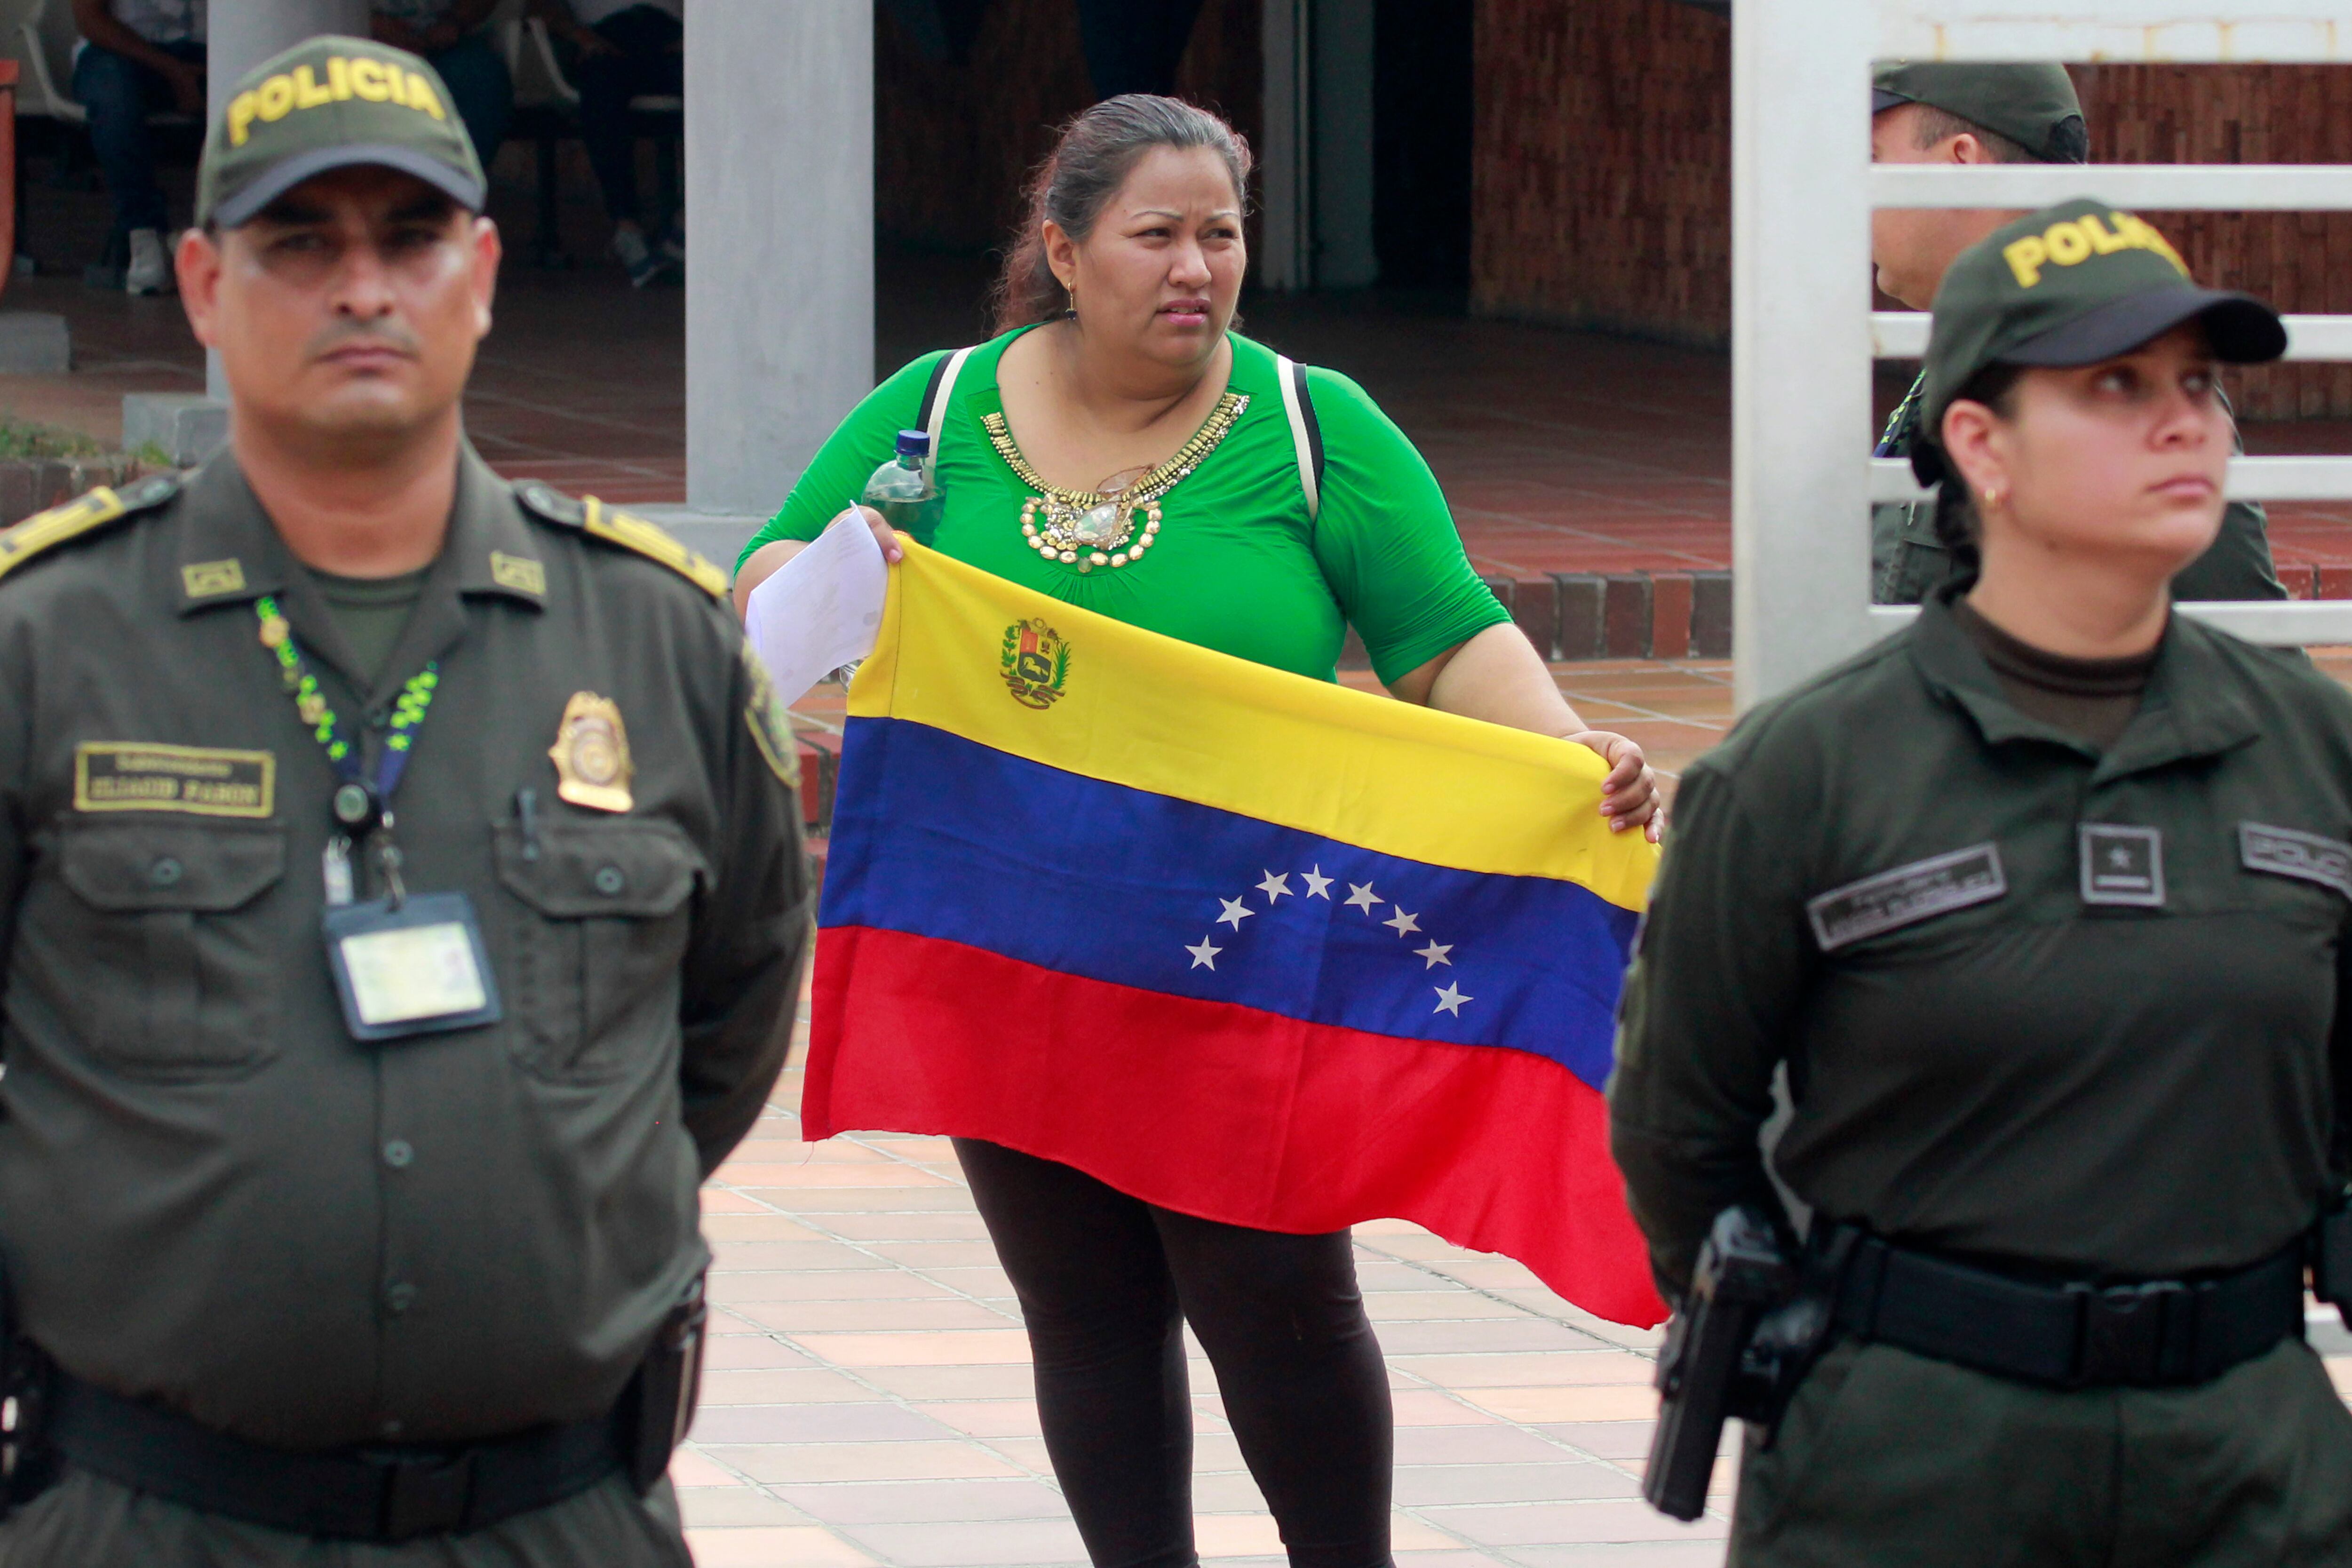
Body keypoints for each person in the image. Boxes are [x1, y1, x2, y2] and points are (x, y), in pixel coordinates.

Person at [734, 94, 1660, 1568]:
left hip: (1243, 951)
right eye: (1154, 234)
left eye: (1219, 235)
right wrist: (853, 565)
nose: (1194, 267)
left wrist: (1567, 755)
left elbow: (1444, 636)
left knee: (1277, 1302)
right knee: (1082, 1312)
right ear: (1062, 246)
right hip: (1009, 937)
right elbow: (767, 587)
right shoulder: (934, 407)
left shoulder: (1311, 425)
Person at [0, 36, 808, 1564]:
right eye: (299, 242)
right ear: (200, 284)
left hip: (555, 1518)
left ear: (483, 271)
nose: (362, 287)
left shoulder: (660, 644)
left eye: (412, 237)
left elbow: (726, 1022)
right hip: (148, 1517)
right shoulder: (47, 642)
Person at [1610, 197, 2352, 1563]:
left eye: (2196, 382)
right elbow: (1677, 1127)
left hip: (2252, 1462)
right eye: (2113, 386)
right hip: (1914, 1464)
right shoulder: (1802, 775)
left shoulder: (2312, 749)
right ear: (1978, 444)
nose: (2183, 419)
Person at [1868, 62, 2285, 606]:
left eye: (1873, 160)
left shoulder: (2105, 363)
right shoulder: (1982, 342)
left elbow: (2246, 656)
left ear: (1961, 166)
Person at [532, 0, 683, 287]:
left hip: (670, 36)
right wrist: (581, 36)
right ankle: (627, 227)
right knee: (600, 84)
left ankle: (689, 222)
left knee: (720, 78)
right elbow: (541, 7)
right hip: (606, 38)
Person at [69, 0, 206, 295]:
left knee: (260, 86)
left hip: (206, 47)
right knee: (114, 98)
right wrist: (175, 71)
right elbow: (90, 21)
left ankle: (224, 233)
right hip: (122, 49)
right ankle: (144, 234)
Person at [371, 0, 512, 172]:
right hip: (366, 48)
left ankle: (458, 183)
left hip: (451, 47)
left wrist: (453, 22)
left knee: (481, 77)